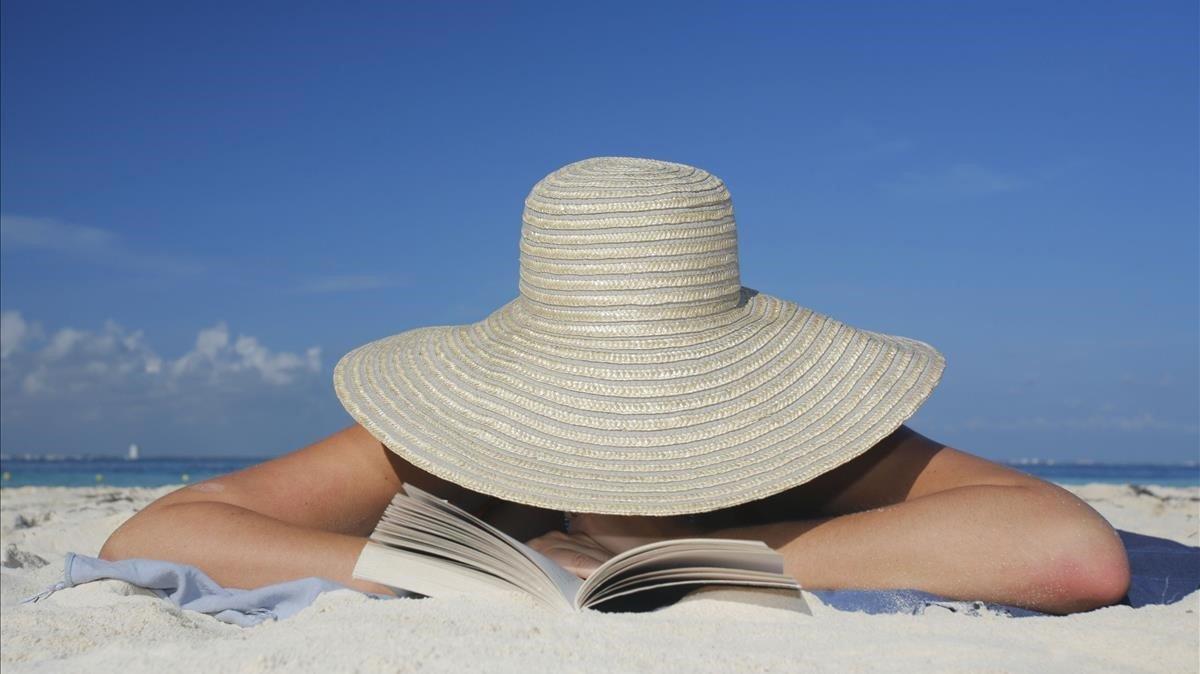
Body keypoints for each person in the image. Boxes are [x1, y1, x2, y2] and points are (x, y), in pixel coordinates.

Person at [100, 158, 1131, 615]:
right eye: (596, 397)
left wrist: (679, 558)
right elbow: (162, 531)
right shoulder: (449, 443)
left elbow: (1070, 553)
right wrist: (456, 574)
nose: (626, 438)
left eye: (656, 400)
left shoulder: (813, 436)